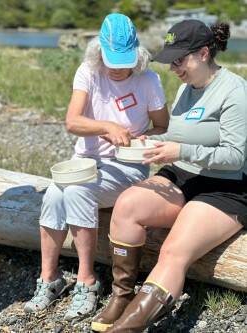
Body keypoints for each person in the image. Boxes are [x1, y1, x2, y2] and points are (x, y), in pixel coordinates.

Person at [91, 19, 247, 332]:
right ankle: (122, 296)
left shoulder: (235, 91)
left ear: (204, 53)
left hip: (226, 188)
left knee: (173, 251)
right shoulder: (186, 89)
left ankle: (130, 327)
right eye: (170, 60)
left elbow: (236, 157)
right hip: (180, 175)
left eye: (180, 60)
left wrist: (180, 151)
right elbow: (175, 136)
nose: (174, 68)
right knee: (127, 205)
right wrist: (149, 141)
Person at [24, 13, 169, 321]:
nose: (118, 68)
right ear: (99, 51)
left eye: (124, 61)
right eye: (112, 60)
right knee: (52, 194)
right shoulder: (89, 72)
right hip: (86, 162)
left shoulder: (148, 79)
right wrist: (105, 127)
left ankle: (87, 281)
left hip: (127, 166)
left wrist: (142, 138)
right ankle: (49, 279)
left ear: (137, 55)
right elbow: (72, 121)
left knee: (77, 193)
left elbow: (162, 126)